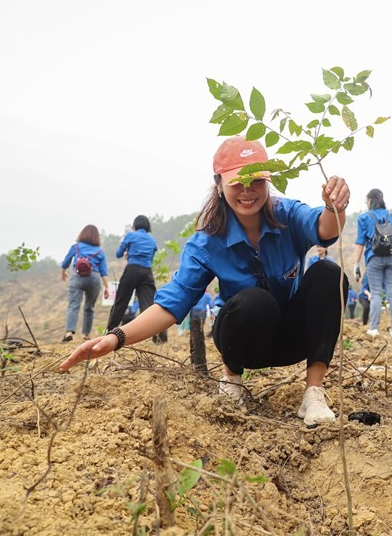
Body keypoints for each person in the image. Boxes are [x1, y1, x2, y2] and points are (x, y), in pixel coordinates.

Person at [60, 137, 350, 426]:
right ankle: (231, 379)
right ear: (219, 184)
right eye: (237, 182)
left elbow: (325, 228)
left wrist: (335, 206)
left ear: (268, 180)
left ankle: (313, 393)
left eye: (256, 181)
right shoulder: (208, 241)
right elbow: (173, 302)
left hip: (293, 341)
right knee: (255, 301)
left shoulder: (287, 215)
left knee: (328, 273)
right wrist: (115, 338)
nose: (247, 191)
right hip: (244, 343)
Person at [353, 189, 392, 341]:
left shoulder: (364, 217)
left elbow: (360, 243)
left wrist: (356, 264)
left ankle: (373, 329)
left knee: (376, 293)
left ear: (370, 200)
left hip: (374, 258)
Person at [106, 215, 159, 332]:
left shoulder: (131, 235)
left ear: (135, 225)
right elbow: (150, 259)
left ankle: (110, 330)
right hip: (147, 272)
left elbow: (118, 254)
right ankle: (157, 334)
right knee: (149, 304)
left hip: (132, 270)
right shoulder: (152, 240)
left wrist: (127, 253)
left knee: (121, 300)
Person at [60, 225, 110, 342]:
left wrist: (63, 273)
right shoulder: (100, 252)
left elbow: (66, 262)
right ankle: (86, 335)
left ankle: (69, 333)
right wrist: (107, 287)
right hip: (95, 279)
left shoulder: (76, 247)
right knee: (89, 308)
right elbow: (104, 271)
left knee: (73, 305)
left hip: (78, 277)